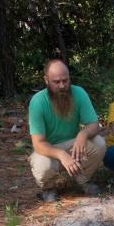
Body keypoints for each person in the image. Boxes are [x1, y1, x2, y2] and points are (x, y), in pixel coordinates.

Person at [28, 59, 106, 201]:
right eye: (56, 82)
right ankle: (49, 188)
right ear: (46, 80)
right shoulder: (37, 102)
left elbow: (94, 124)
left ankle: (83, 181)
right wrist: (61, 155)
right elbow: (38, 143)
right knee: (41, 164)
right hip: (49, 149)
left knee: (99, 143)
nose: (62, 85)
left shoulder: (79, 93)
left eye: (65, 80)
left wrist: (83, 134)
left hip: (72, 144)